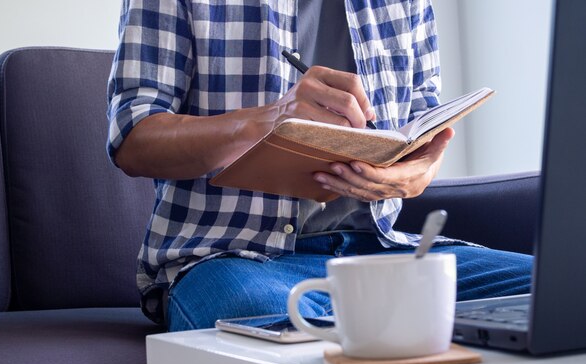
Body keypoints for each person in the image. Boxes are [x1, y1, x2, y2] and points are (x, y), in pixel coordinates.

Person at [107, 0, 532, 331]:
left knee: (561, 295)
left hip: (383, 253)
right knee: (279, 337)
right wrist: (269, 119)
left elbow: (423, 128)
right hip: (229, 258)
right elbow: (135, 139)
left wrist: (413, 176)